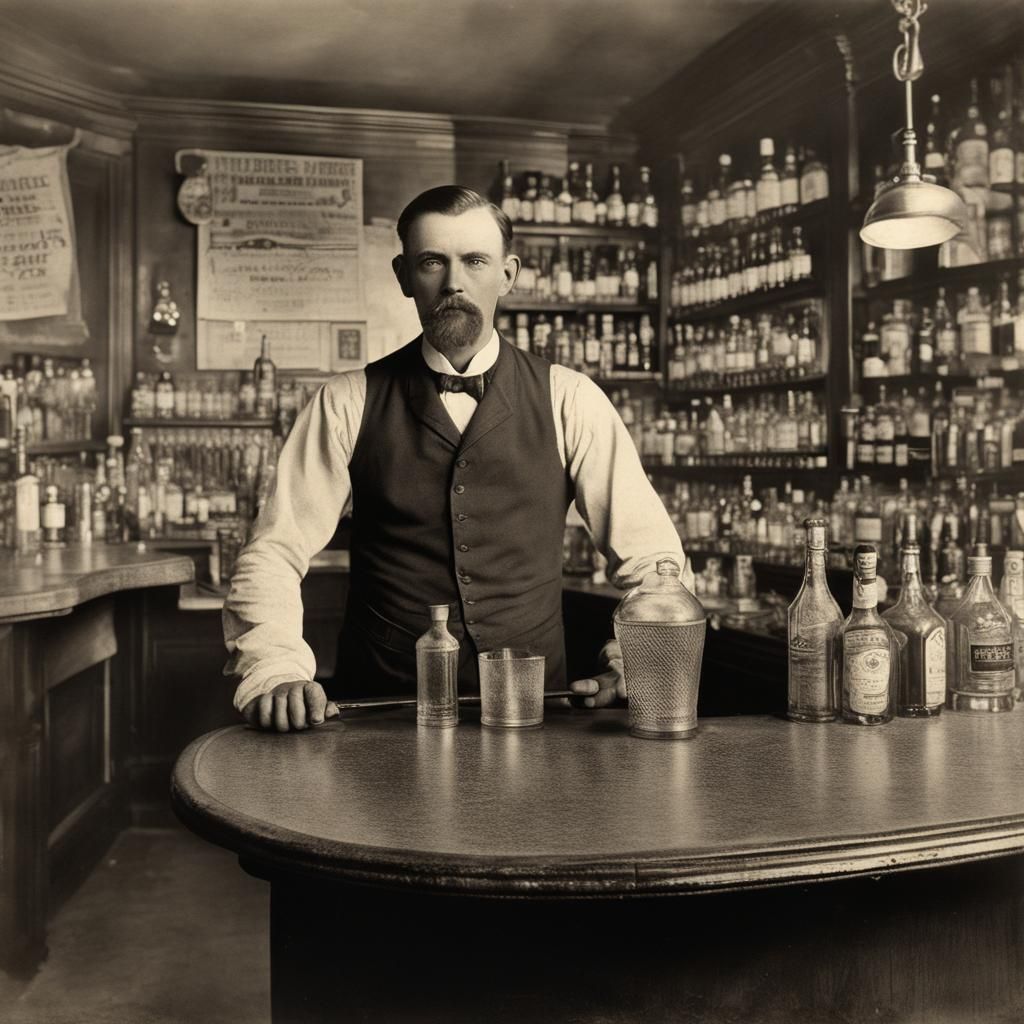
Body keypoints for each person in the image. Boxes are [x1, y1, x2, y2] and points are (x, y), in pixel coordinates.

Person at [224, 185, 689, 732]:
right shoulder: (346, 400)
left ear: (508, 275)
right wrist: (276, 668)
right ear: (403, 276)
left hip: (535, 716)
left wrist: (636, 663)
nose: (454, 283)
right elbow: (273, 552)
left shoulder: (570, 397)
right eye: (431, 262)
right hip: (383, 715)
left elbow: (656, 563)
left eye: (474, 261)